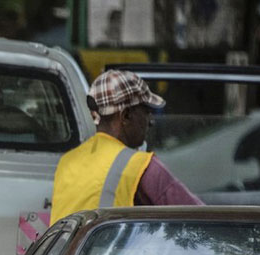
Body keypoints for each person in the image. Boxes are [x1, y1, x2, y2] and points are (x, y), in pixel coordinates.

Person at [50, 70, 203, 221]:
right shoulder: (139, 165)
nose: (150, 121)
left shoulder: (67, 161)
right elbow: (200, 217)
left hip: (70, 247)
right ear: (126, 115)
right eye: (146, 112)